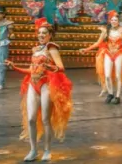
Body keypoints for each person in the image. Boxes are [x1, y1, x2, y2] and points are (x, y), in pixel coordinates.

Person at [6, 18, 72, 162]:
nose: (41, 35)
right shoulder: (35, 50)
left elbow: (61, 67)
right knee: (31, 119)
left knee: (45, 119)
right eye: (39, 33)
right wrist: (15, 67)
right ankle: (33, 150)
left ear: (49, 35)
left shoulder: (52, 48)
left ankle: (47, 150)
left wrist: (51, 67)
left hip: (46, 84)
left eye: (44, 33)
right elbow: (31, 70)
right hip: (32, 84)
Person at [79, 11, 122, 104]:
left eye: (115, 20)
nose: (114, 21)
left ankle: (117, 96)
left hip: (118, 53)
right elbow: (98, 43)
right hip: (108, 53)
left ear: (118, 21)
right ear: (110, 21)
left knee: (117, 76)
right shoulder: (106, 31)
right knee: (107, 76)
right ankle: (110, 94)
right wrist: (87, 49)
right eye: (112, 20)